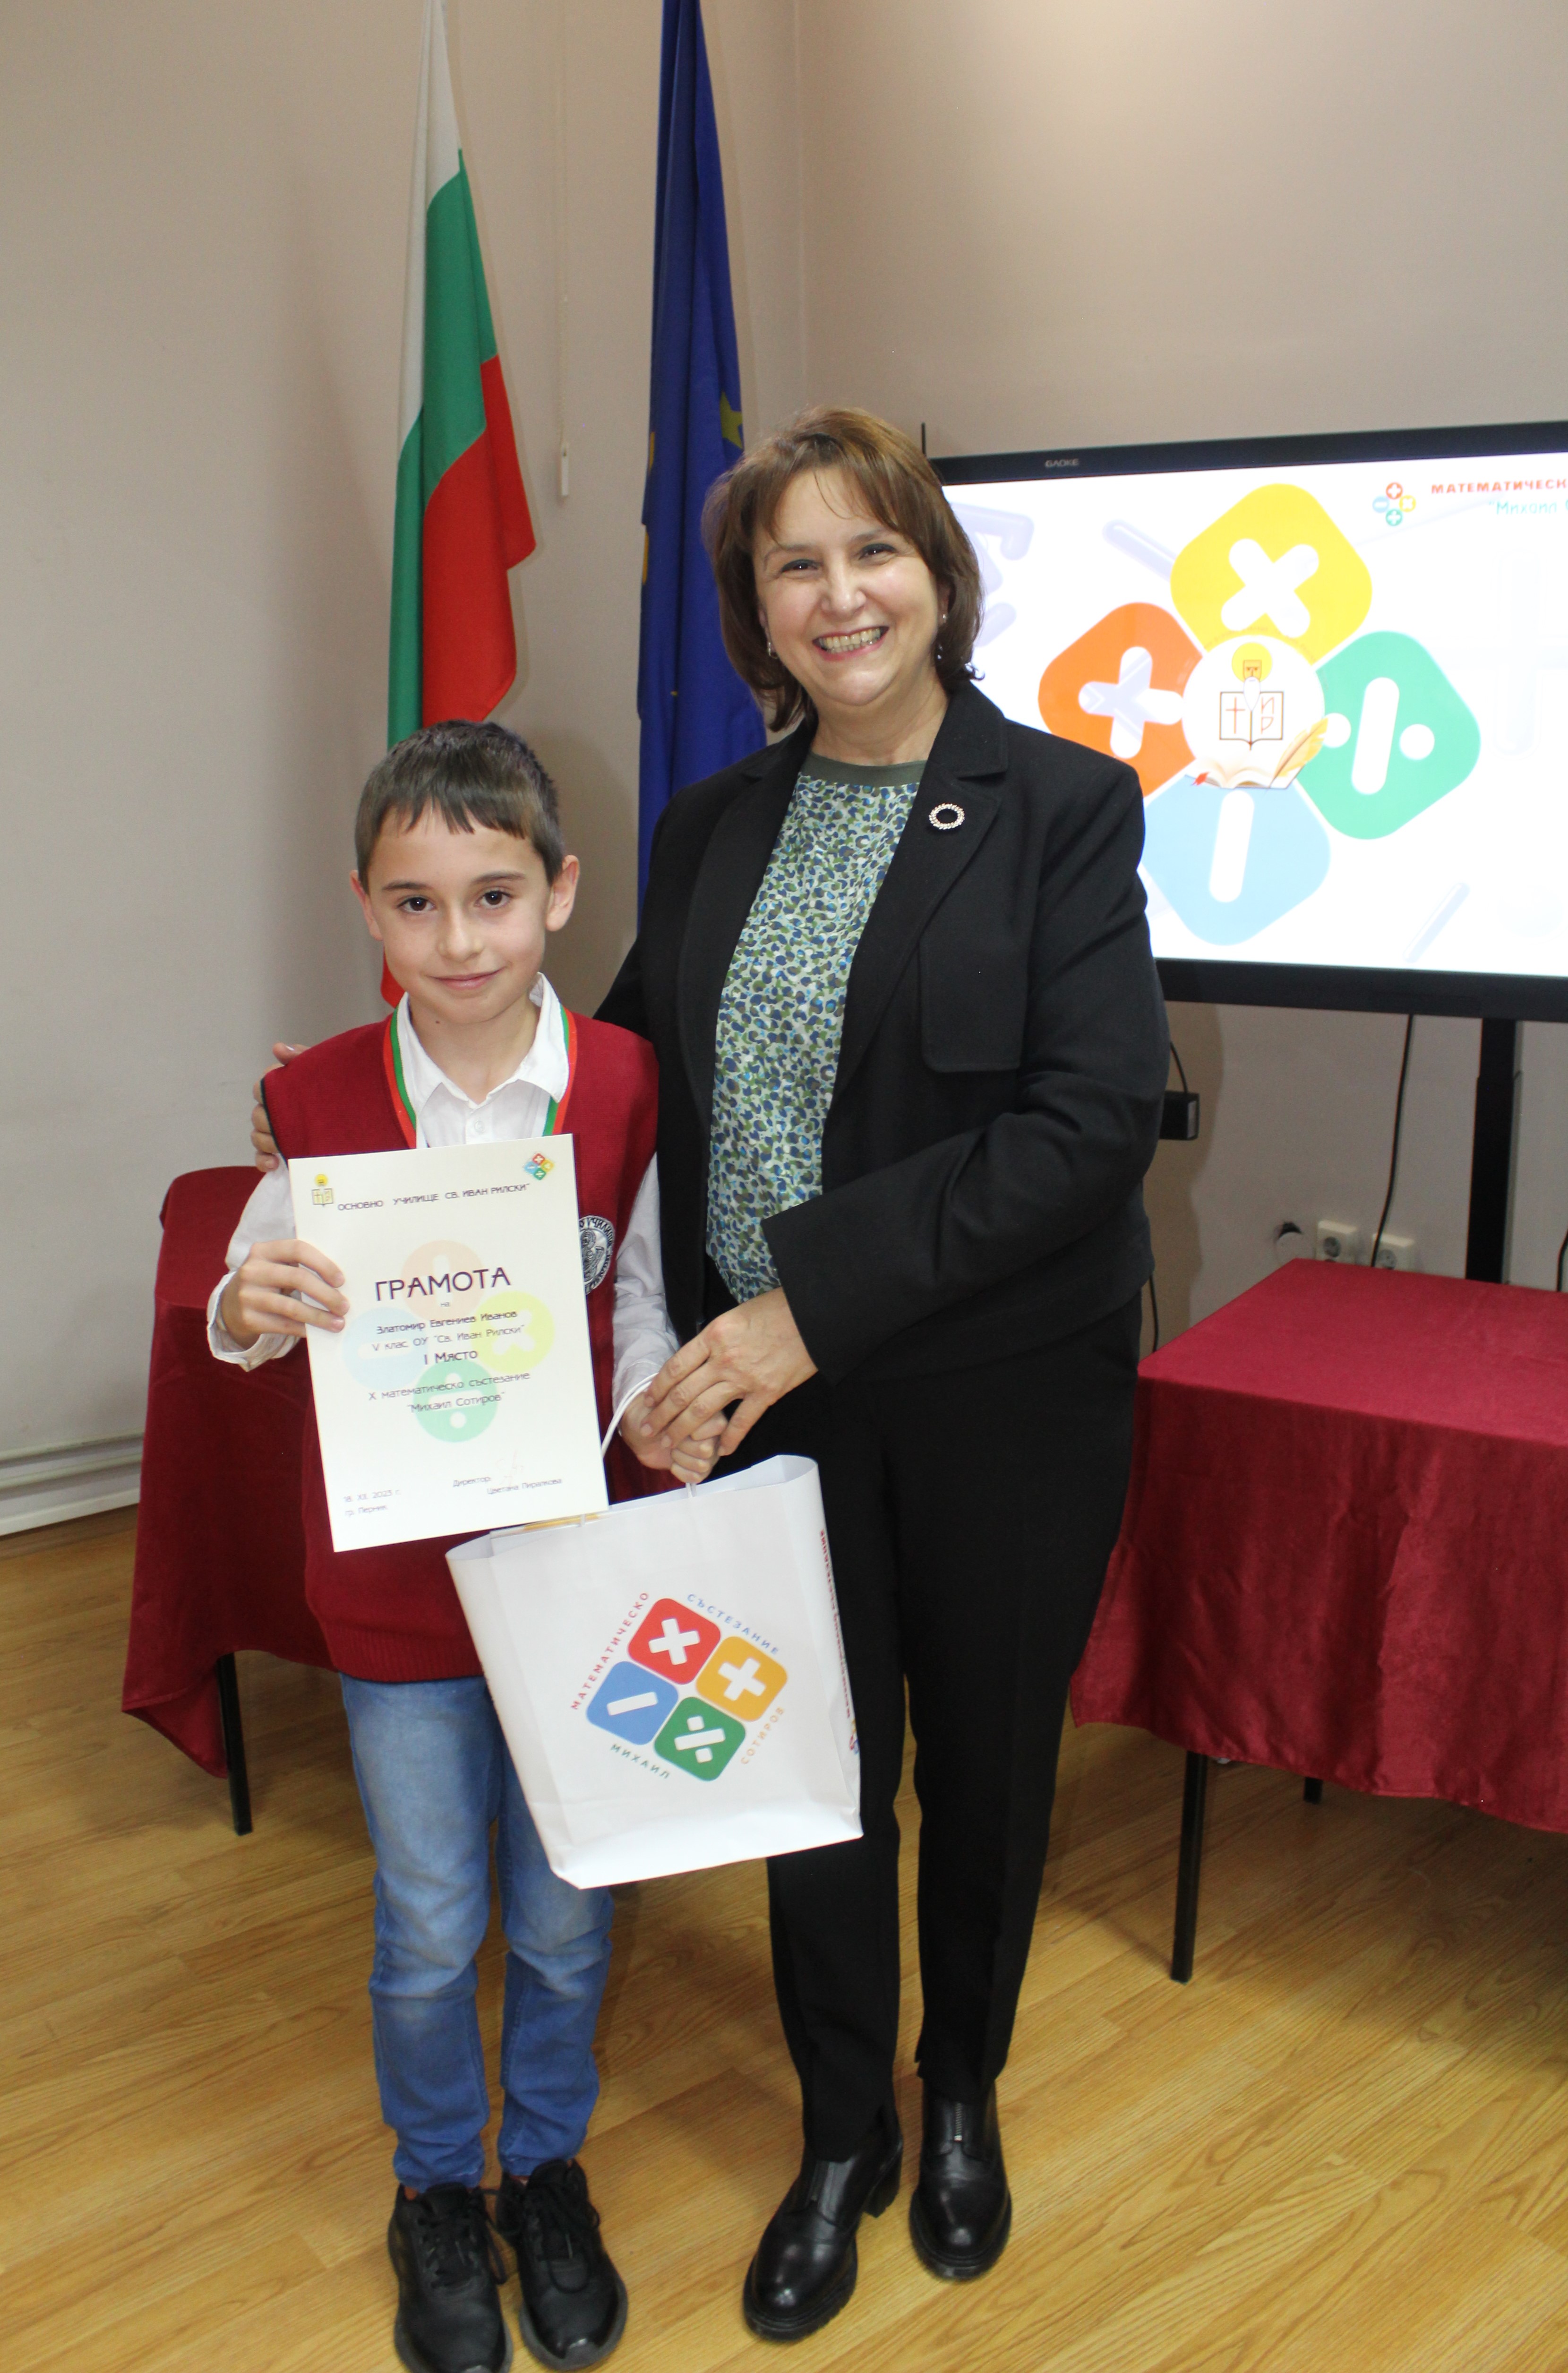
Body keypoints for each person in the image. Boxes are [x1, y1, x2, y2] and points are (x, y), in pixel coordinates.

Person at [600, 405, 1169, 2340]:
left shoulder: (1063, 804)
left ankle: (962, 2094)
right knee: (809, 1775)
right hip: (780, 1404)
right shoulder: (709, 824)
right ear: (754, 610)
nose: (838, 595)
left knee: (984, 1767)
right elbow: (625, 1077)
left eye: (872, 551)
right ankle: (840, 2129)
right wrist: (405, 1113)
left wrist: (804, 1307)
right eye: (794, 564)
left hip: (1004, 1387)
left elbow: (1085, 1126)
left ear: (935, 575)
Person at [215, 721, 719, 2373]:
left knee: (567, 1913)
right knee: (430, 1918)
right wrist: (249, 1302)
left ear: (559, 892)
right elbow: (246, 1311)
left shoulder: (629, 1083)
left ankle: (544, 2171)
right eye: (415, 904)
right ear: (366, 907)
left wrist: (659, 1410)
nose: (458, 941)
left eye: (493, 896)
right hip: (394, 1592)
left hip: (575, 1576)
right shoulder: (314, 1098)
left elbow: (638, 1303)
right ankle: (437, 2186)